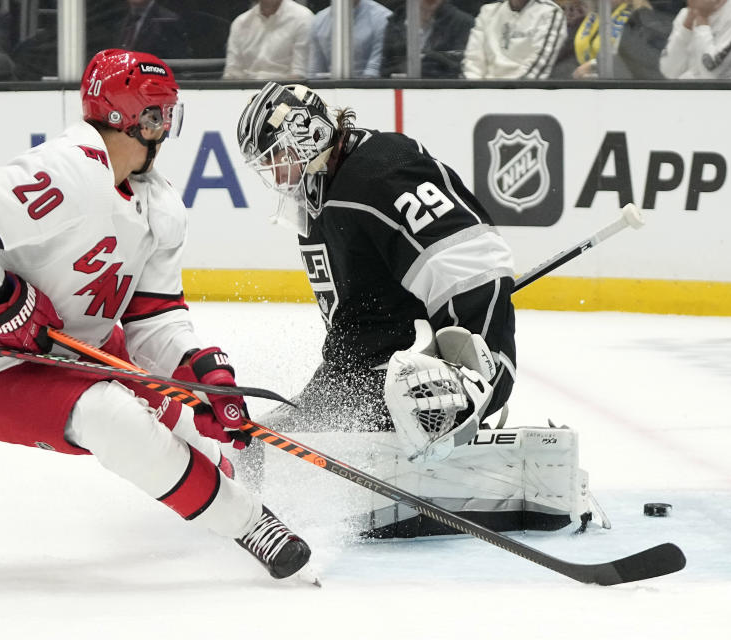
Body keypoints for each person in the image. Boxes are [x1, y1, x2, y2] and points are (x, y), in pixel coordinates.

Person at [0, 50, 311, 581]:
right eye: (159, 114)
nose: (167, 127)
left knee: (194, 422)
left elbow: (154, 320)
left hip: (79, 346)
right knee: (111, 418)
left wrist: (200, 370)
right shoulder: (66, 172)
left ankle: (219, 474)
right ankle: (249, 523)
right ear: (132, 118)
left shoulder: (161, 205)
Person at [235, 82, 603, 538]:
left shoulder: (381, 167)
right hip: (388, 360)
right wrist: (327, 405)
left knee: (408, 404)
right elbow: (360, 324)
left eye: (277, 154)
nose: (274, 170)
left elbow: (473, 262)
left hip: (469, 361)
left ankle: (458, 436)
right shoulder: (323, 195)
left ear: (308, 132)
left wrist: (472, 373)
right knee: (260, 445)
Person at [462, 0, 568, 79]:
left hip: (525, 95)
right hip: (482, 93)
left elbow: (539, 69)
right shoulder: (488, 11)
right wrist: (474, 91)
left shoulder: (550, 12)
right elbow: (473, 61)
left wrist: (509, 95)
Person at [658, 0, 731, 79]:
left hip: (728, 95)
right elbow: (669, 71)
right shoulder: (684, 14)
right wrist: (689, 20)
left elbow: (711, 74)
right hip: (688, 94)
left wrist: (702, 18)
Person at [381, 0, 475, 78]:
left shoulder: (462, 24)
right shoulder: (396, 22)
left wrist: (427, 58)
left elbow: (458, 70)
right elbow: (385, 70)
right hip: (401, 90)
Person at [223, 0, 314, 80]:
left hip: (284, 93)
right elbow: (232, 73)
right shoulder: (240, 23)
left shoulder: (302, 18)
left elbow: (299, 75)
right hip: (244, 92)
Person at [306, 0, 392, 78]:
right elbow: (315, 72)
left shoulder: (383, 18)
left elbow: (373, 72)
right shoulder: (318, 21)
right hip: (329, 91)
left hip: (370, 91)